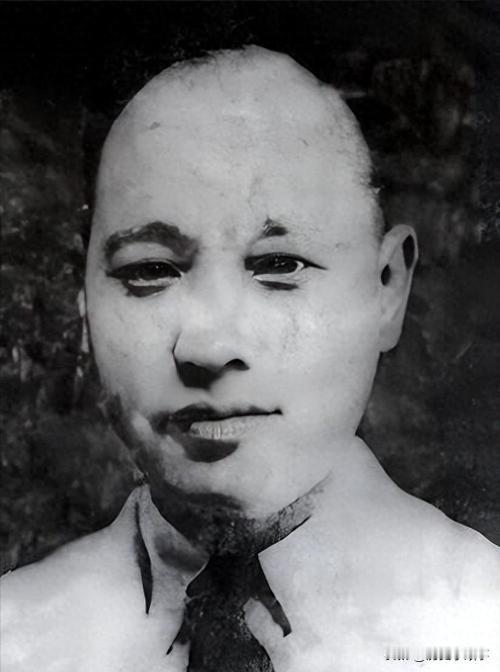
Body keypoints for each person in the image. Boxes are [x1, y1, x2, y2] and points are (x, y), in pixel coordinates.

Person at [1, 46, 499, 672]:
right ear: (82, 299)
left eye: (280, 265)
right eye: (149, 270)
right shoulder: (17, 638)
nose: (209, 349)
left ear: (387, 288)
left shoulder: (482, 620)